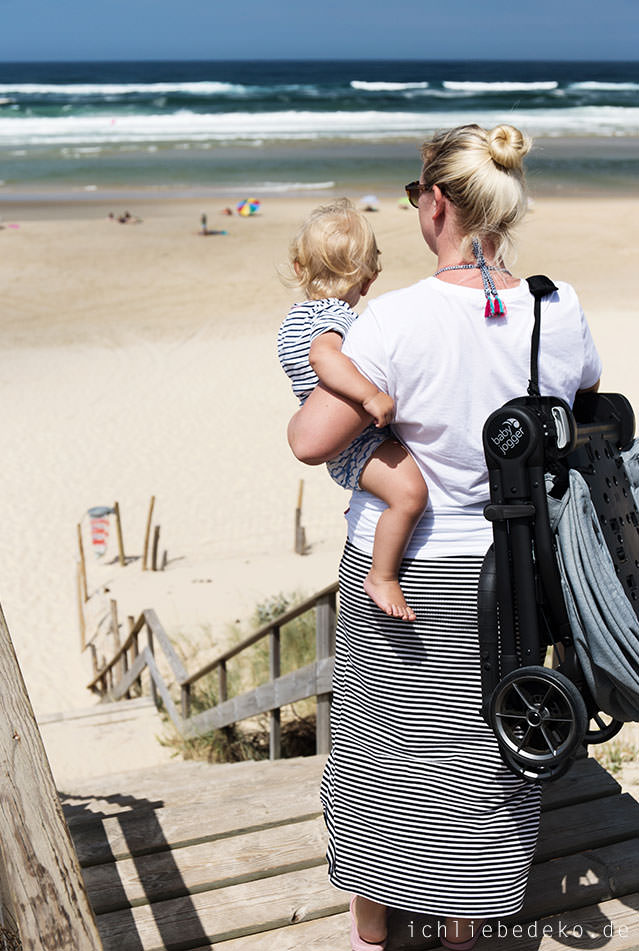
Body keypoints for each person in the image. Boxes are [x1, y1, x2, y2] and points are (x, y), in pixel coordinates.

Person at [286, 125, 602, 950]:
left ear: (433, 202)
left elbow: (310, 439)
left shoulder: (394, 320)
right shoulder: (556, 305)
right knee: (485, 754)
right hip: (519, 574)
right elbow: (585, 406)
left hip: (410, 569)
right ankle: (464, 925)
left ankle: (371, 931)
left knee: (384, 750)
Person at [278, 199, 429, 620]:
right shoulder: (335, 316)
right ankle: (382, 576)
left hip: (343, 441)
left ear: (298, 267)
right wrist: (369, 395)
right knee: (410, 495)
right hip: (356, 442)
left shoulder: (296, 315)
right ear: (368, 278)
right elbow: (324, 359)